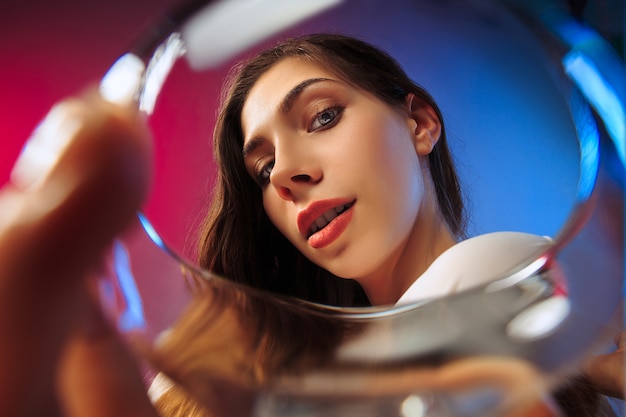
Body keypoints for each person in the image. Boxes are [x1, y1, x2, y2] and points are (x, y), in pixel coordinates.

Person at [0, 34, 621, 417]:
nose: (284, 176)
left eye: (322, 117)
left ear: (420, 124)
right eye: (262, 166)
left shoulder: (503, 266)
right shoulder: (269, 359)